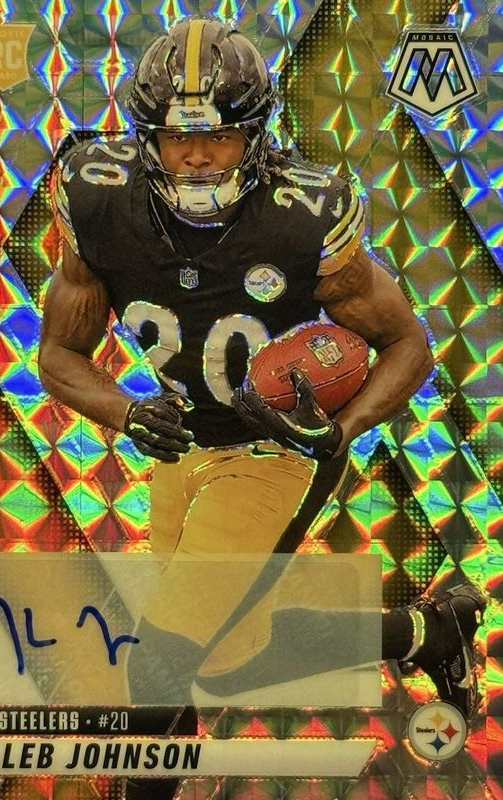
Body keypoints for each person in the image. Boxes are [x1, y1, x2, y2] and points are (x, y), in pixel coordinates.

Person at [39, 17, 486, 799]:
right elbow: (58, 355)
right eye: (178, 137)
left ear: (253, 135)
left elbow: (406, 343)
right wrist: (125, 412)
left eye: (218, 135)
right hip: (181, 443)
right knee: (221, 659)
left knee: (158, 662)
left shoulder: (301, 212)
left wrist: (338, 430)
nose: (197, 155)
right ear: (147, 137)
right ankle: (429, 631)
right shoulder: (96, 196)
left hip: (271, 450)